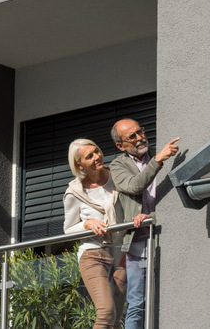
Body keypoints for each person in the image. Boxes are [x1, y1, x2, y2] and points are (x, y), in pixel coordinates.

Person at [109, 118, 179, 329]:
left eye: (140, 132)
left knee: (169, 294)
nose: (140, 138)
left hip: (165, 235)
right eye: (132, 136)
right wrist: (158, 160)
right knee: (137, 302)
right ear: (120, 145)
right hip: (138, 242)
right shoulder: (118, 165)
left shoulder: (159, 153)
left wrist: (152, 214)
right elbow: (134, 186)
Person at [63, 139, 126, 329]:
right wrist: (87, 224)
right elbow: (68, 230)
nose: (97, 157)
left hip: (121, 253)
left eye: (96, 151)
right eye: (89, 156)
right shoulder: (75, 193)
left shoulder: (117, 177)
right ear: (79, 164)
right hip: (93, 254)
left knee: (116, 318)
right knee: (106, 312)